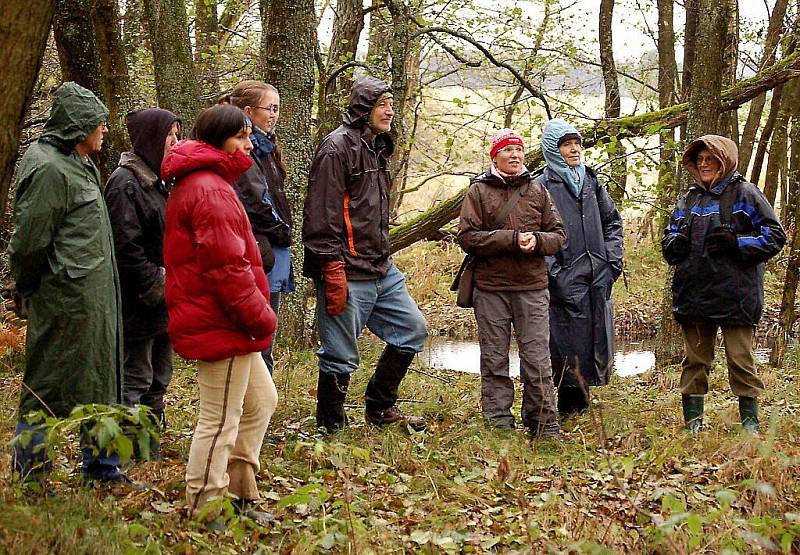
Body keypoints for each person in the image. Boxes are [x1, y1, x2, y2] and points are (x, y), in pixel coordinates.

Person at [8, 82, 128, 484]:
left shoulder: (79, 162)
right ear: (78, 126)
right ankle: (31, 474)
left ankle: (102, 470)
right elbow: (29, 241)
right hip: (65, 298)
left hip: (93, 296)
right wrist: (26, 287)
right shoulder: (48, 167)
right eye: (98, 122)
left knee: (100, 380)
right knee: (47, 386)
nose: (104, 129)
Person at [162, 104, 278, 520]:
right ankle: (205, 507)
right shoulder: (208, 188)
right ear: (219, 140)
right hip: (223, 322)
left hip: (231, 321)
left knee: (261, 402)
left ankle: (242, 492)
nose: (249, 144)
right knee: (219, 420)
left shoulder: (209, 182)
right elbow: (226, 269)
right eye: (242, 136)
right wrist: (260, 317)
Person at [303, 76, 428, 433]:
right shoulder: (336, 148)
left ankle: (380, 406)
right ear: (363, 108)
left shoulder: (377, 147)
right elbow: (321, 213)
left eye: (391, 103)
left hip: (380, 266)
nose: (390, 110)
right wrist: (331, 267)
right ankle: (331, 427)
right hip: (344, 266)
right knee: (340, 354)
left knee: (413, 330)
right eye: (382, 104)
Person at [662, 135, 785, 434]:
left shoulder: (746, 194)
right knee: (695, 362)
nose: (704, 165)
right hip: (695, 294)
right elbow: (670, 235)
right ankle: (693, 424)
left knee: (741, 361)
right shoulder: (689, 199)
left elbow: (775, 235)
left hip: (736, 295)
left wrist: (738, 243)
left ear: (724, 160)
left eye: (711, 159)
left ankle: (750, 425)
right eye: (700, 160)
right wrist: (674, 243)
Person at [457, 129, 566, 438]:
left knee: (537, 359)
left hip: (532, 287)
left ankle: (544, 425)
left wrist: (539, 240)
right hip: (490, 288)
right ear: (495, 156)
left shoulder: (538, 190)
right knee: (494, 359)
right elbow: (466, 237)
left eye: (519, 150)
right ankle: (498, 425)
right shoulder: (477, 192)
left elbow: (559, 235)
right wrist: (512, 240)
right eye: (508, 151)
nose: (515, 155)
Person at [104, 108, 181, 459]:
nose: (176, 143)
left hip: (163, 303)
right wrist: (156, 285)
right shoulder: (126, 182)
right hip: (136, 304)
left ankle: (147, 453)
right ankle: (118, 456)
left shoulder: (160, 180)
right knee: (133, 379)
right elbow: (126, 247)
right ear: (152, 138)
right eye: (170, 136)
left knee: (158, 379)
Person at [536, 119, 624, 417]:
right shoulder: (542, 186)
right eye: (566, 144)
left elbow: (612, 222)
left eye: (576, 143)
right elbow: (536, 235)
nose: (573, 149)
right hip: (563, 277)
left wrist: (612, 262)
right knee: (563, 343)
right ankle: (566, 407)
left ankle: (583, 405)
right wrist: (555, 273)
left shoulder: (589, 180)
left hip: (597, 272)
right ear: (552, 148)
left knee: (593, 338)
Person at [221, 81, 295, 375]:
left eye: (278, 109)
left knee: (266, 331)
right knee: (260, 334)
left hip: (269, 247)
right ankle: (259, 406)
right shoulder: (246, 150)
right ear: (249, 111)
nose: (274, 115)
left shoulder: (267, 144)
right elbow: (255, 201)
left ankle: (262, 403)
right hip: (260, 249)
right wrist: (282, 231)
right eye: (270, 108)